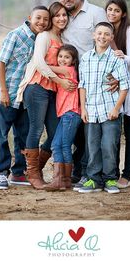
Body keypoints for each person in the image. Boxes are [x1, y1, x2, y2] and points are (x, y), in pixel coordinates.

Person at [16, 2, 76, 190]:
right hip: (37, 87)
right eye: (57, 15)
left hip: (53, 91)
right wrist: (61, 81)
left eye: (64, 15)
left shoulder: (62, 38)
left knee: (56, 132)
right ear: (52, 19)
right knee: (36, 129)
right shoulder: (44, 36)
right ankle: (34, 175)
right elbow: (40, 64)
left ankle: (37, 167)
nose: (61, 18)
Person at [0, 5, 50, 190]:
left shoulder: (41, 39)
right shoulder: (15, 35)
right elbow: (1, 63)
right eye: (38, 18)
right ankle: (1, 172)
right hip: (7, 93)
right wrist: (3, 91)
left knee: (22, 135)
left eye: (45, 19)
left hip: (25, 96)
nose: (41, 22)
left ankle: (18, 172)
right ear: (30, 17)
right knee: (1, 134)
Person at [58, 0, 109, 187]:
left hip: (94, 78)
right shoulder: (62, 17)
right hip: (70, 81)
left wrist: (111, 75)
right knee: (77, 129)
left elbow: (107, 40)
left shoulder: (96, 13)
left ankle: (93, 173)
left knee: (91, 128)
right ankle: (78, 172)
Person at [78, 22, 130, 194]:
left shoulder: (116, 59)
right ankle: (94, 179)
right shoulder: (86, 58)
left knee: (109, 146)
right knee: (92, 147)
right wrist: (83, 108)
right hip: (91, 110)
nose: (102, 37)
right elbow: (82, 85)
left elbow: (124, 85)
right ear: (94, 35)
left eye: (106, 34)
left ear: (111, 38)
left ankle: (109, 179)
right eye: (99, 33)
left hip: (110, 111)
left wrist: (117, 108)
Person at [105, 0, 130, 188]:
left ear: (124, 14)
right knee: (112, 133)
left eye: (116, 10)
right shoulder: (106, 31)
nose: (112, 13)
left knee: (129, 132)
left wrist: (124, 56)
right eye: (109, 9)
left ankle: (126, 175)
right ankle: (111, 172)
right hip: (113, 90)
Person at [44, 44, 82, 191]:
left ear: (73, 61)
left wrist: (42, 62)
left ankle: (64, 179)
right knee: (55, 145)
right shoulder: (63, 74)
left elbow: (49, 68)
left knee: (65, 145)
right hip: (66, 114)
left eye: (67, 57)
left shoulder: (69, 70)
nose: (62, 59)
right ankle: (61, 180)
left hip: (71, 113)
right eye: (60, 56)